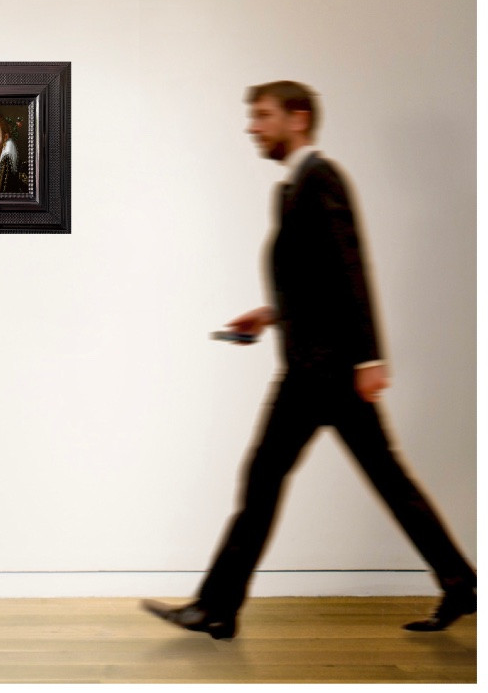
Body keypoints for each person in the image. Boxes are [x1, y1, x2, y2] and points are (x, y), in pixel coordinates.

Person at [142, 81, 476, 640]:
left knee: (266, 479)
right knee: (382, 480)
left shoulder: (321, 177)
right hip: (317, 365)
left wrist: (370, 358)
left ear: (298, 119)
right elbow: (317, 280)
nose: (253, 127)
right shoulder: (291, 189)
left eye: (263, 116)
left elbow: (351, 269)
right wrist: (271, 314)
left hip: (325, 371)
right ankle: (461, 583)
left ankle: (217, 606)